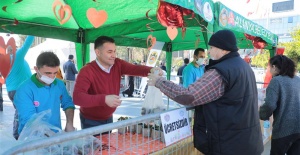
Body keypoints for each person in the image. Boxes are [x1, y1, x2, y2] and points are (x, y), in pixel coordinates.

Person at [147, 29, 263, 155]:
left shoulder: (221, 72)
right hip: (246, 141)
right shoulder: (244, 67)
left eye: (212, 47)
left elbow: (188, 96)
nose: (209, 51)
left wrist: (159, 82)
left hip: (229, 144)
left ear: (223, 49)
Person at [73, 36, 162, 130]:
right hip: (90, 121)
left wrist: (151, 69)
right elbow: (78, 98)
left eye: (115, 51)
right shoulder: (87, 71)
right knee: (94, 145)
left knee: (108, 144)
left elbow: (134, 69)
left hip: (108, 118)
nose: (114, 55)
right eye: (109, 52)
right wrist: (104, 99)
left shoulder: (117, 64)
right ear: (98, 52)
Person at [14, 51, 75, 135]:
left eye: (55, 73)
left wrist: (69, 123)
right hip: (31, 138)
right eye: (48, 73)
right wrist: (49, 135)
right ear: (36, 69)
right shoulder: (24, 90)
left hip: (56, 134)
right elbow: (29, 119)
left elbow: (68, 103)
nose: (52, 77)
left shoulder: (59, 84)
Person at [259, 55, 300, 155]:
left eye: (269, 67)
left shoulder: (276, 81)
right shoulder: (297, 79)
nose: (268, 70)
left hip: (283, 129)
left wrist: (262, 114)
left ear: (274, 67)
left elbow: (269, 104)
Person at [5, 36, 34, 139]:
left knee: (21, 111)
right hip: (20, 90)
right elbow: (28, 43)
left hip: (12, 90)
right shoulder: (18, 56)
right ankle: (18, 133)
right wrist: (32, 31)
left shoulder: (5, 62)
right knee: (21, 112)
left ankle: (20, 132)